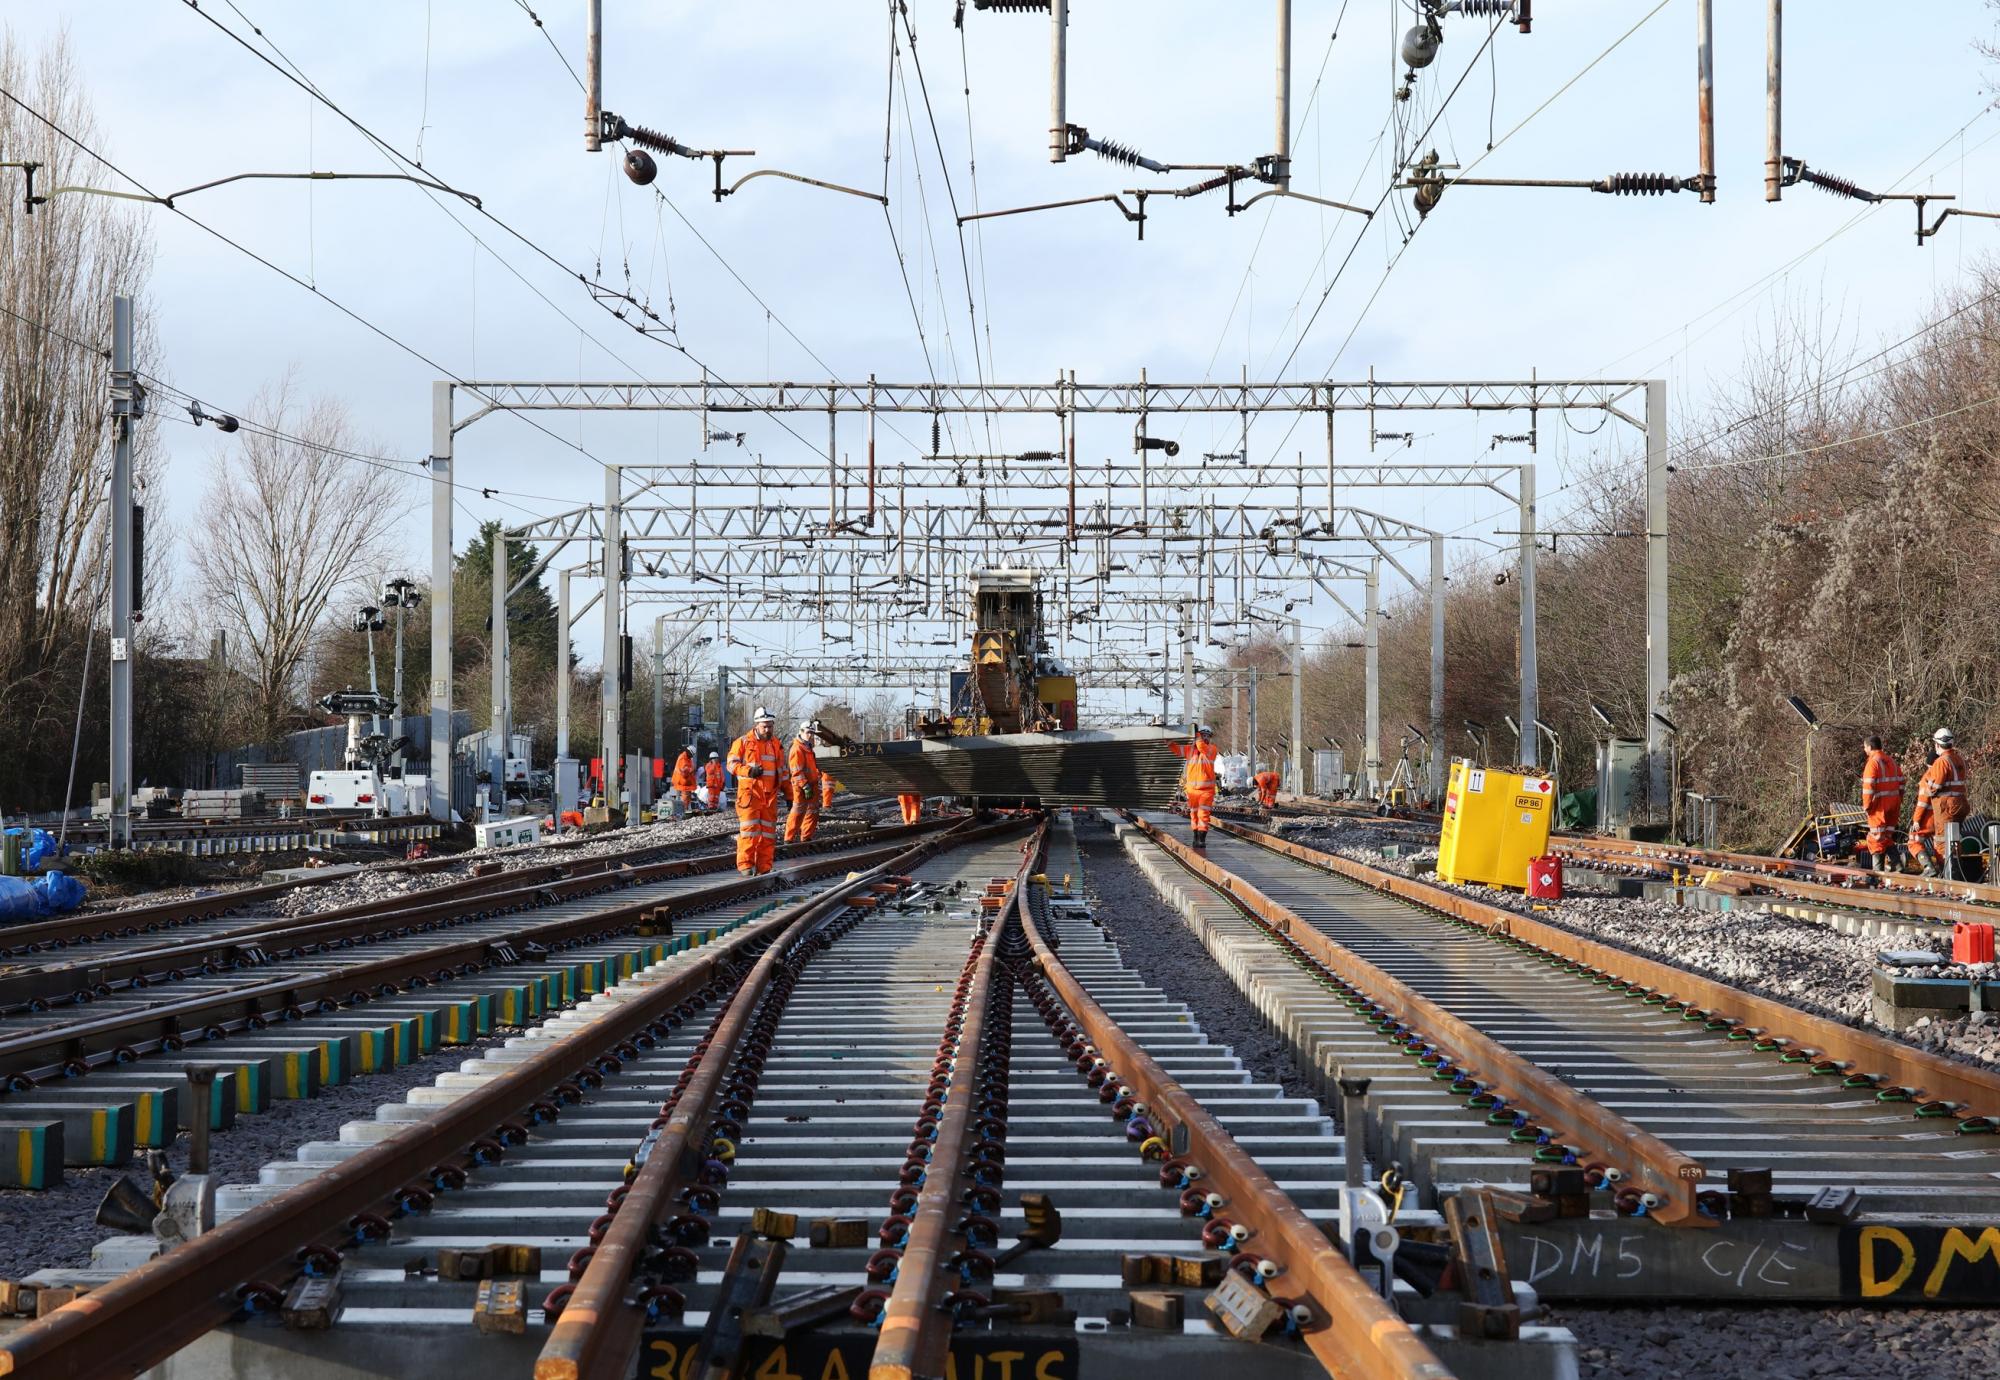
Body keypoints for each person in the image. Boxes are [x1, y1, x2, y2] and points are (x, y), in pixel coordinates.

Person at [726, 706, 790, 875]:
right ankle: (746, 866)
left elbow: (782, 772)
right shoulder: (743, 742)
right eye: (765, 726)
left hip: (769, 798)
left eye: (770, 726)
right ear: (757, 725)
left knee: (768, 836)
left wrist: (790, 795)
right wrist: (748, 771)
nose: (768, 729)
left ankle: (764, 868)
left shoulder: (776, 744)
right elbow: (731, 765)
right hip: (750, 796)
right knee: (749, 833)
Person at [1910, 727, 1969, 878]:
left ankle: (1948, 875)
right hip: (1961, 804)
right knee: (1954, 839)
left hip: (1946, 807)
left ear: (1937, 744)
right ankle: (1956, 873)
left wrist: (1928, 784)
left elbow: (1934, 788)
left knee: (1943, 842)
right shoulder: (1958, 759)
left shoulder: (1941, 762)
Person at [1858, 735, 1904, 872]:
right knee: (1887, 836)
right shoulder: (1891, 761)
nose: (1864, 749)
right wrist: (1898, 800)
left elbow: (1868, 788)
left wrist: (1867, 806)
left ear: (1870, 747)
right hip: (1894, 806)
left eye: (1865, 747)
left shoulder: (1872, 763)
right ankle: (1897, 865)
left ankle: (1878, 872)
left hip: (1879, 807)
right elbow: (1902, 783)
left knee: (1875, 838)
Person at [1171, 724, 1221, 847]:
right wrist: (1168, 741)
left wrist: (1196, 734)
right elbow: (1177, 749)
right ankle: (1195, 838)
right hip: (1192, 790)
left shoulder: (1211, 749)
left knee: (1203, 815)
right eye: (1202, 735)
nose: (1204, 738)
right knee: (1193, 814)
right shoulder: (1190, 750)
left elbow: (1201, 746)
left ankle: (1201, 840)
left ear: (1210, 738)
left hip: (1206, 791)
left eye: (1207, 736)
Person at [784, 721, 823, 843]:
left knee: (813, 811)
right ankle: (788, 839)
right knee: (797, 812)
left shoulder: (807, 747)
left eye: (811, 733)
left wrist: (817, 776)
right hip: (801, 786)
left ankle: (806, 838)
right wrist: (805, 786)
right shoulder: (797, 748)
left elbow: (811, 767)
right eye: (808, 732)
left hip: (811, 784)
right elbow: (796, 771)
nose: (810, 735)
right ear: (801, 732)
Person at [670, 746, 698, 816]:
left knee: (687, 797)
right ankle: (682, 813)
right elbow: (684, 772)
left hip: (685, 782)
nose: (692, 756)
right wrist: (692, 770)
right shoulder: (683, 758)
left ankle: (684, 811)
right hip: (681, 781)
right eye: (692, 754)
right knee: (684, 798)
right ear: (689, 752)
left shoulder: (687, 758)